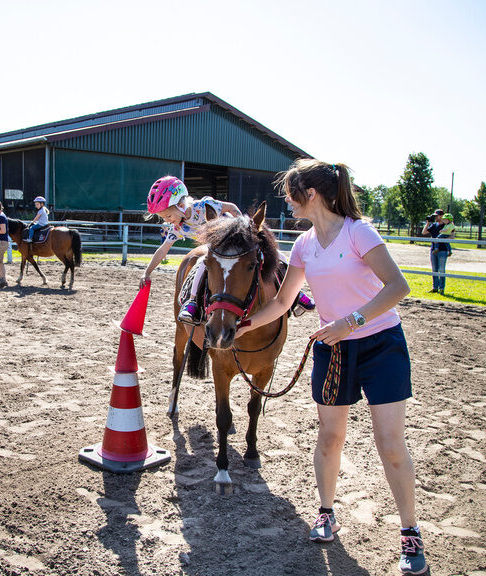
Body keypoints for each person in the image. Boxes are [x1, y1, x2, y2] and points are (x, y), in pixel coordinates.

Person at [238, 159, 427, 575]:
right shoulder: (304, 245)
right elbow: (284, 303)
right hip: (333, 349)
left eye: (291, 193)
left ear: (313, 194)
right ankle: (326, 512)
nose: (286, 201)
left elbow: (399, 286)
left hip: (381, 345)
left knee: (390, 444)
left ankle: (410, 532)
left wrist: (350, 322)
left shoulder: (358, 232)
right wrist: (241, 325)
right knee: (329, 436)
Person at [141, 176, 242, 323]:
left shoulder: (204, 206)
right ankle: (198, 303)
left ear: (181, 204)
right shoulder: (178, 227)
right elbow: (163, 250)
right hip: (215, 251)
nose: (167, 220)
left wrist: (240, 225)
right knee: (203, 261)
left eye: (168, 215)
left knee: (205, 261)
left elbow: (231, 207)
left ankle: (192, 302)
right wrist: (147, 272)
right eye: (164, 218)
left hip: (232, 243)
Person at [421, 209, 448, 294]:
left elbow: (452, 236)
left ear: (441, 216)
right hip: (433, 250)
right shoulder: (434, 225)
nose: (435, 217)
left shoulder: (446, 226)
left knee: (442, 269)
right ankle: (435, 287)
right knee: (434, 269)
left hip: (442, 249)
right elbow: (424, 232)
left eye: (436, 216)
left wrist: (441, 240)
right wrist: (428, 222)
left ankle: (442, 288)